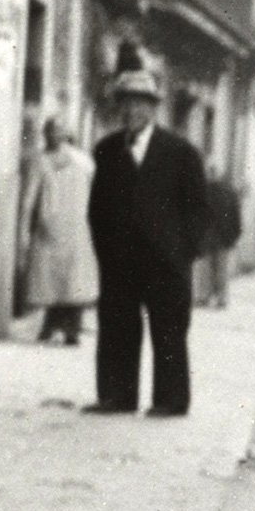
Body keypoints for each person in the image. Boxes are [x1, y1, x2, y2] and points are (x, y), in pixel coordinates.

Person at [85, 69, 209, 418]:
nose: (132, 111)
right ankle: (117, 396)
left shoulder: (181, 153)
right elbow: (97, 210)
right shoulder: (107, 150)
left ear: (154, 109)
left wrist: (182, 253)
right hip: (120, 262)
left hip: (166, 263)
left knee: (169, 331)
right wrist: (106, 254)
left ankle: (170, 400)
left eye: (140, 104)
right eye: (126, 103)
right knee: (117, 327)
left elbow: (199, 211)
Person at [18, 115, 98, 345]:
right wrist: (24, 229)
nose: (54, 136)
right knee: (55, 279)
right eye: (50, 131)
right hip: (55, 227)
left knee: (69, 279)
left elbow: (97, 193)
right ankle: (54, 325)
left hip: (73, 227)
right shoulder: (43, 161)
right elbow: (29, 198)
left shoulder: (80, 162)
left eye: (57, 131)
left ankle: (68, 328)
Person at [202, 173, 243, 310]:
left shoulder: (205, 192)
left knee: (207, 268)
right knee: (221, 269)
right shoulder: (231, 195)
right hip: (224, 238)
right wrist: (234, 236)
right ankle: (221, 298)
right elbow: (236, 218)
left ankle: (205, 296)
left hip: (207, 237)